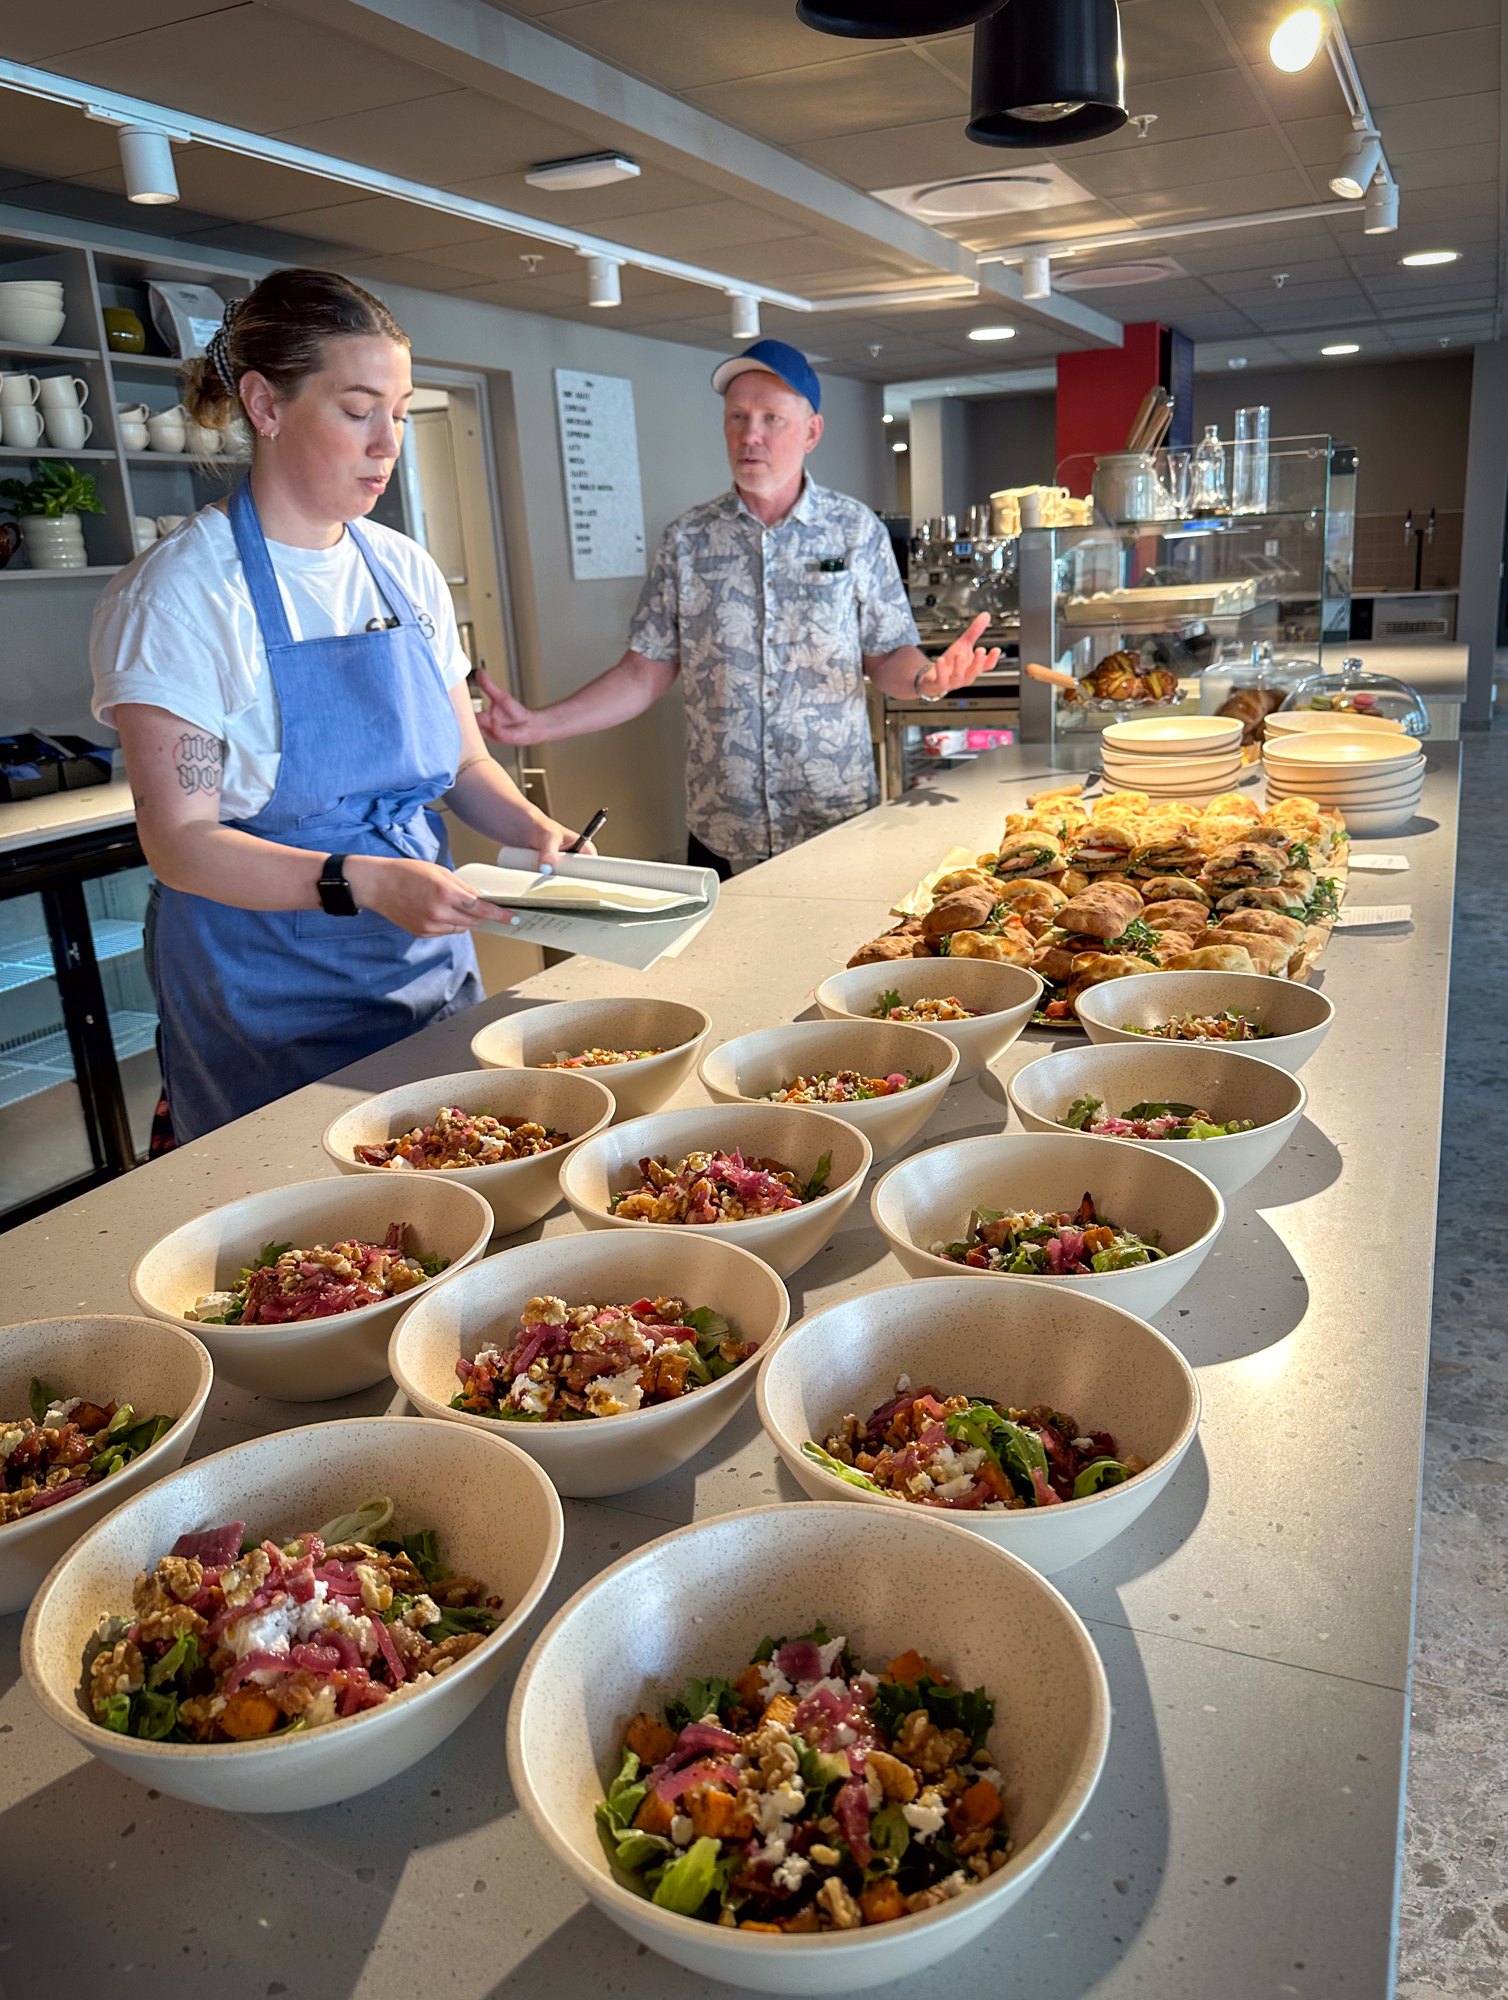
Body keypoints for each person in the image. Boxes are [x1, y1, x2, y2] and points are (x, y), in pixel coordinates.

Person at [90, 268, 582, 1143]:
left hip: (422, 970)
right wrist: (365, 882)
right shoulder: (181, 598)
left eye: (397, 413)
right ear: (265, 405)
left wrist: (532, 829)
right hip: (267, 998)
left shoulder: (404, 569)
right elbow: (180, 843)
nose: (387, 444)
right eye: (359, 411)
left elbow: (464, 763)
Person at [475, 338, 1000, 876]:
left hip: (835, 818)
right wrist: (539, 726)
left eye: (772, 418)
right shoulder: (687, 540)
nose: (751, 435)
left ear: (812, 432)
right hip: (724, 828)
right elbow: (642, 673)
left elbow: (888, 656)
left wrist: (928, 680)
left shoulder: (853, 530)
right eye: (738, 417)